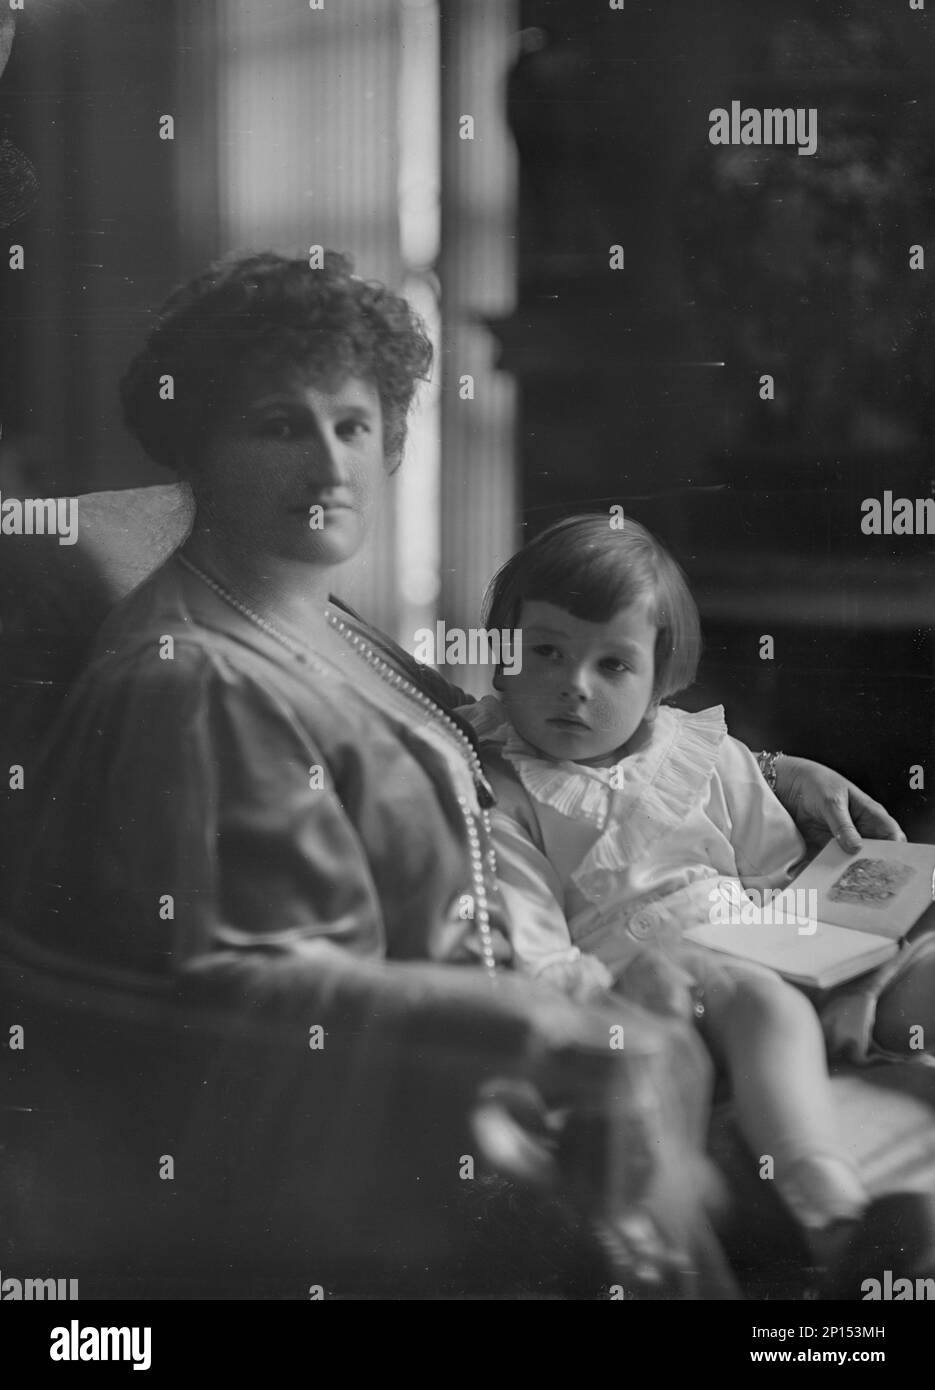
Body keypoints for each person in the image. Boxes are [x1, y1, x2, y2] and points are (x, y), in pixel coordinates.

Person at [3, 251, 913, 1296]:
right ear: (197, 448)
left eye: (351, 424)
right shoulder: (194, 685)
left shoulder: (305, 613)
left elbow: (468, 721)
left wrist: (761, 768)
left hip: (532, 1023)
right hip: (428, 1113)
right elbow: (239, 993)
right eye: (277, 424)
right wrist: (551, 1029)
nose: (329, 464)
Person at [460, 512, 935, 1287]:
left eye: (612, 665)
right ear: (501, 660)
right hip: (669, 987)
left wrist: (840, 926)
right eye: (545, 652)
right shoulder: (505, 795)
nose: (573, 686)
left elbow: (778, 869)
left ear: (657, 681)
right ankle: (831, 1215)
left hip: (777, 945)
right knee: (760, 1005)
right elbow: (542, 954)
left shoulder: (705, 756)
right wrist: (625, 994)